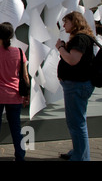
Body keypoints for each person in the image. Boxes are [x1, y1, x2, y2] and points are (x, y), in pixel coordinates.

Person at [0, 22, 30, 161]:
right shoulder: (19, 52)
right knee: (16, 127)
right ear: (11, 35)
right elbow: (25, 76)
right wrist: (27, 95)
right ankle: (20, 155)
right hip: (14, 94)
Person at [56, 11, 95, 161]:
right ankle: (79, 151)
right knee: (76, 121)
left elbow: (72, 60)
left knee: (76, 123)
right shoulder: (81, 38)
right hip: (76, 85)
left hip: (76, 85)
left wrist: (60, 48)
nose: (64, 25)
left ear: (75, 23)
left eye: (66, 22)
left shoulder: (80, 39)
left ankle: (81, 157)